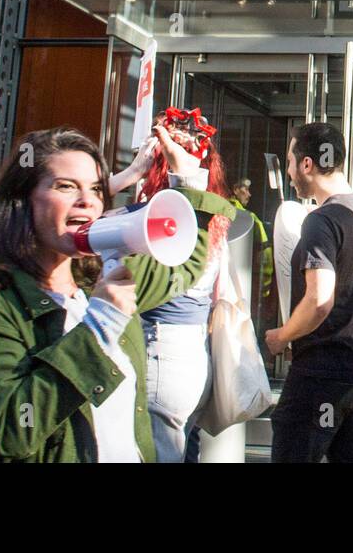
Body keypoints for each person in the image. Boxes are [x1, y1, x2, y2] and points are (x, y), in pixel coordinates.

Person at [0, 125, 232, 462]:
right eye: (65, 186)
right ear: (22, 201)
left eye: (95, 188)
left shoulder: (97, 284)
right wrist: (99, 327)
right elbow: (12, 427)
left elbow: (181, 267)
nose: (87, 200)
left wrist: (189, 183)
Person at [264, 122, 353, 463]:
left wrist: (281, 336)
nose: (288, 172)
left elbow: (319, 300)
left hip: (321, 372)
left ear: (306, 164)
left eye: (290, 161)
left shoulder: (321, 221)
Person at [122, 107, 236, 463]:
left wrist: (129, 174)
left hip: (159, 353)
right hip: (196, 357)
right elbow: (223, 296)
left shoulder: (146, 221)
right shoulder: (215, 223)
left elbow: (75, 232)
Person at [231, 178, 274, 303]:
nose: (249, 194)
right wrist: (264, 290)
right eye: (246, 189)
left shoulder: (216, 211)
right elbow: (265, 254)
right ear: (235, 190)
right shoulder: (251, 219)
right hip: (245, 287)